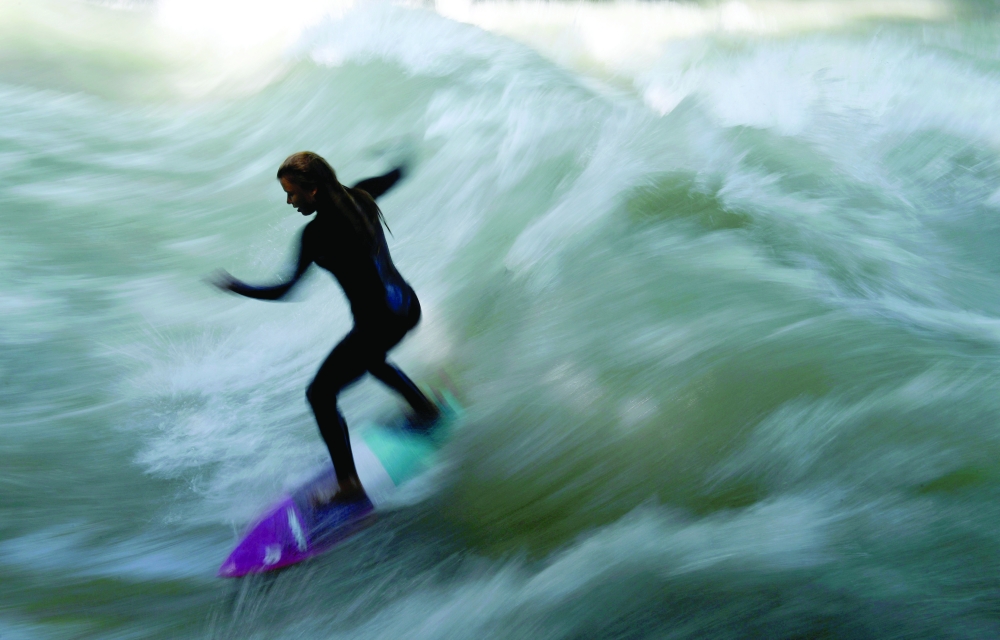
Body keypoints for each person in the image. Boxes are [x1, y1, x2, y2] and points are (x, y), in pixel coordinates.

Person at [212, 151, 439, 504]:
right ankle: (424, 407)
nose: (289, 201)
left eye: (292, 193)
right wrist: (401, 156)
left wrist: (236, 286)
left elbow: (286, 291)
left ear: (313, 190)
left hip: (377, 326)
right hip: (407, 307)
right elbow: (395, 175)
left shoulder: (315, 236)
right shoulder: (361, 195)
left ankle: (348, 484)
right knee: (372, 360)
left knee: (319, 394)